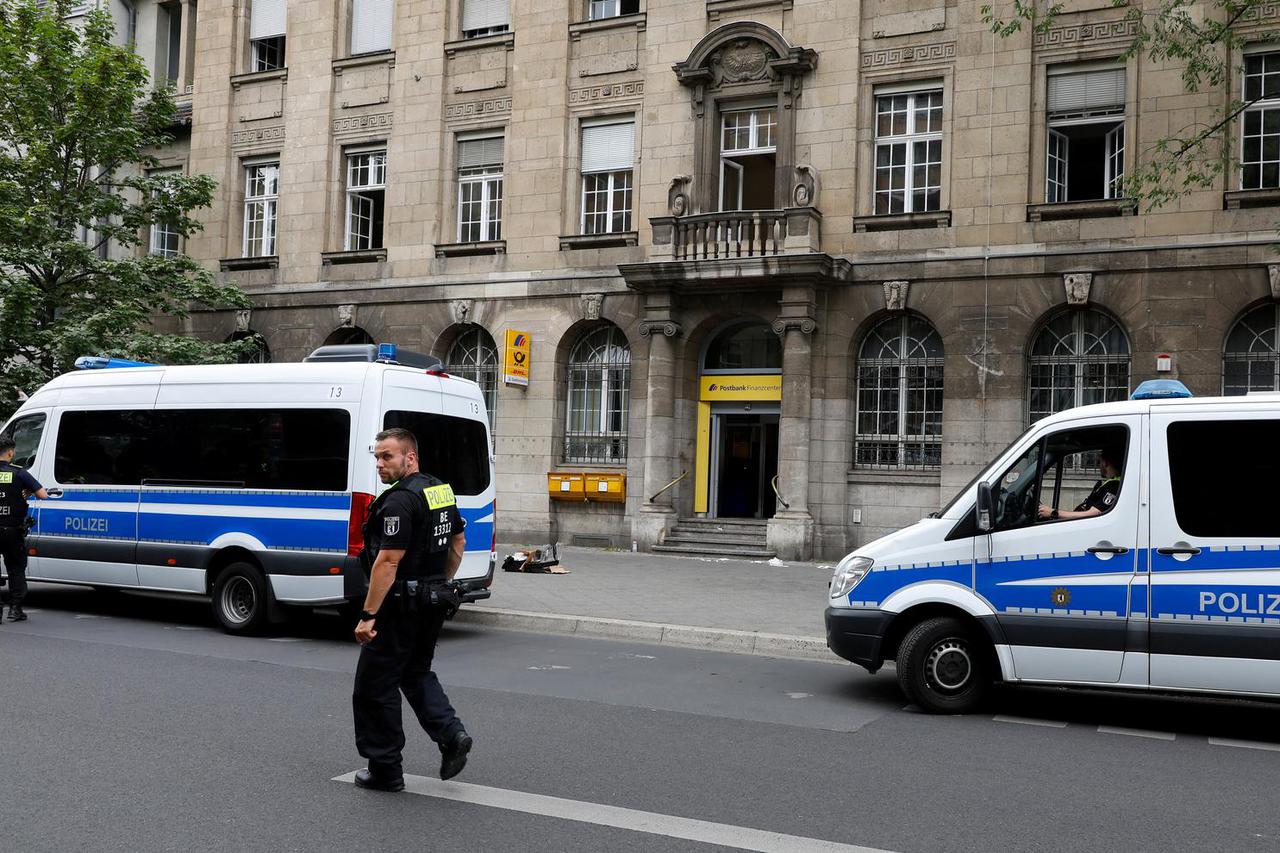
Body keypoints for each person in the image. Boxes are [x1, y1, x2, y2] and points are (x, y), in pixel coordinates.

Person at [351, 427, 471, 792]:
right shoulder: (440, 491)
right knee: (415, 672)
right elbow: (458, 540)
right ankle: (451, 735)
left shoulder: (400, 501)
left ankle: (386, 769)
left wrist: (369, 615)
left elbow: (388, 561)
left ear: (410, 456)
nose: (379, 463)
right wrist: (438, 584)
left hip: (400, 607)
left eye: (387, 456)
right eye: (376, 457)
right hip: (431, 603)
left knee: (374, 687)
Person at [0, 435, 48, 622]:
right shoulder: (20, 473)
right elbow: (43, 495)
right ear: (11, 452)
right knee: (16, 568)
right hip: (12, 530)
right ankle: (15, 609)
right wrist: (26, 491)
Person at [1038, 448, 1123, 522]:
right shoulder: (1104, 484)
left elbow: (1093, 514)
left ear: (1105, 463)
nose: (1098, 465)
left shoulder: (1115, 486)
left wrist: (1053, 513)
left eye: (1099, 461)